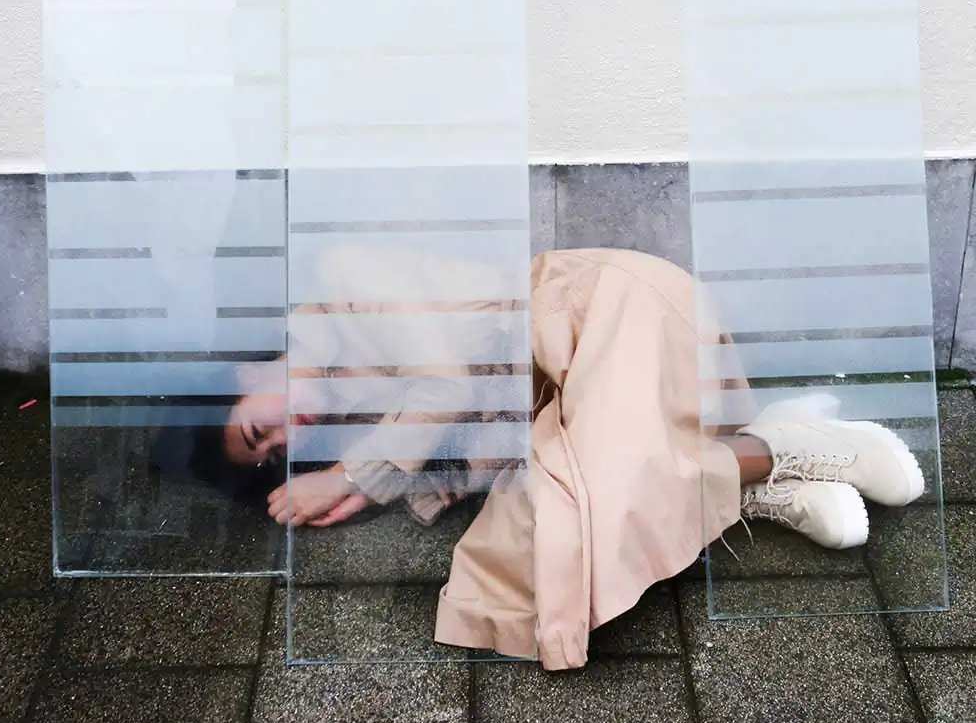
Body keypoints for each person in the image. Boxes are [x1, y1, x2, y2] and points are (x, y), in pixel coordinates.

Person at [222, 247, 925, 669]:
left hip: (601, 310)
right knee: (530, 546)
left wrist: (349, 475)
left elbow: (446, 381)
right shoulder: (358, 415)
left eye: (257, 429)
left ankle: (786, 450)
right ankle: (751, 474)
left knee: (603, 487)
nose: (283, 440)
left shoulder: (341, 278)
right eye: (276, 454)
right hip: (557, 397)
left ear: (242, 375)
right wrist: (376, 484)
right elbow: (479, 448)